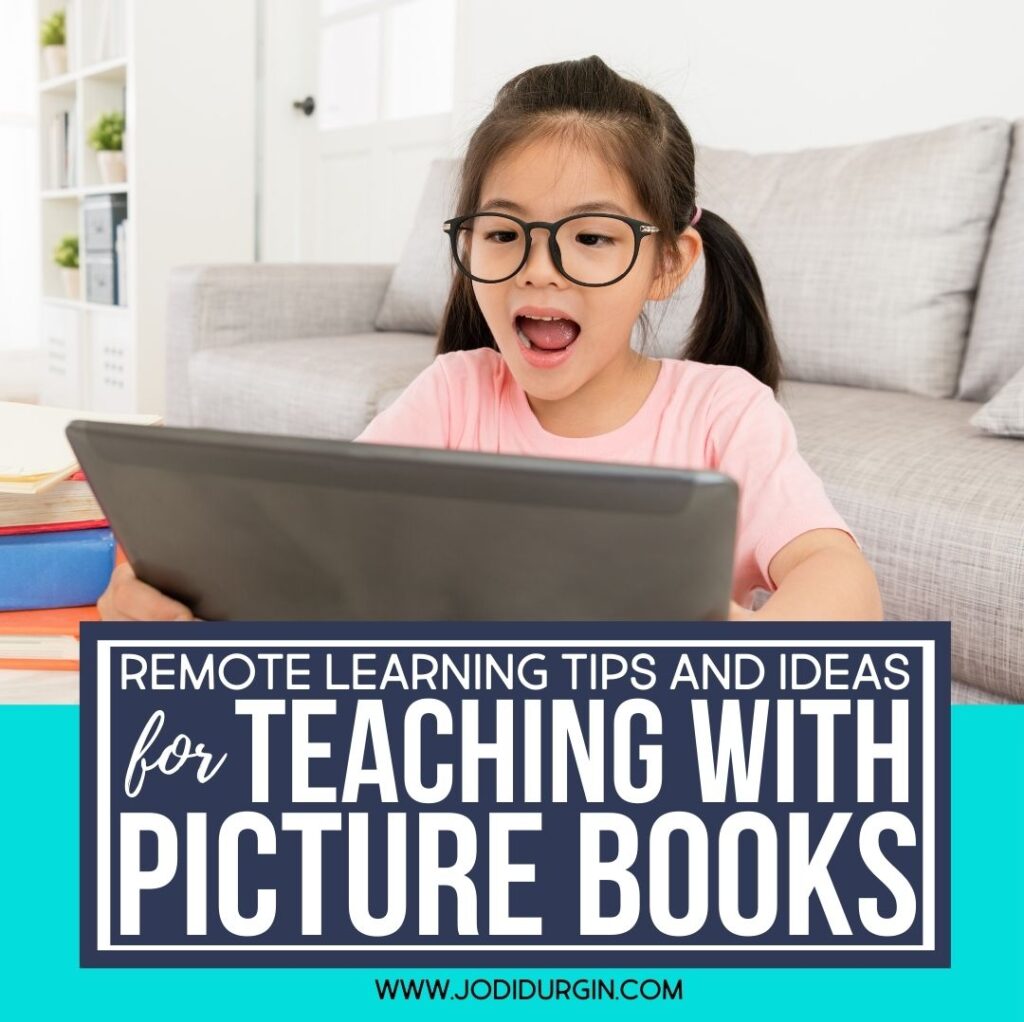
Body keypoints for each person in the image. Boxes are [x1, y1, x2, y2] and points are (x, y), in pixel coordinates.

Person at [99, 56, 882, 623]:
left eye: (593, 239)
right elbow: (317, 535)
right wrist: (167, 579)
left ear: (667, 264)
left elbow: (839, 578)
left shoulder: (722, 411)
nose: (539, 271)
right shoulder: (455, 393)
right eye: (504, 233)